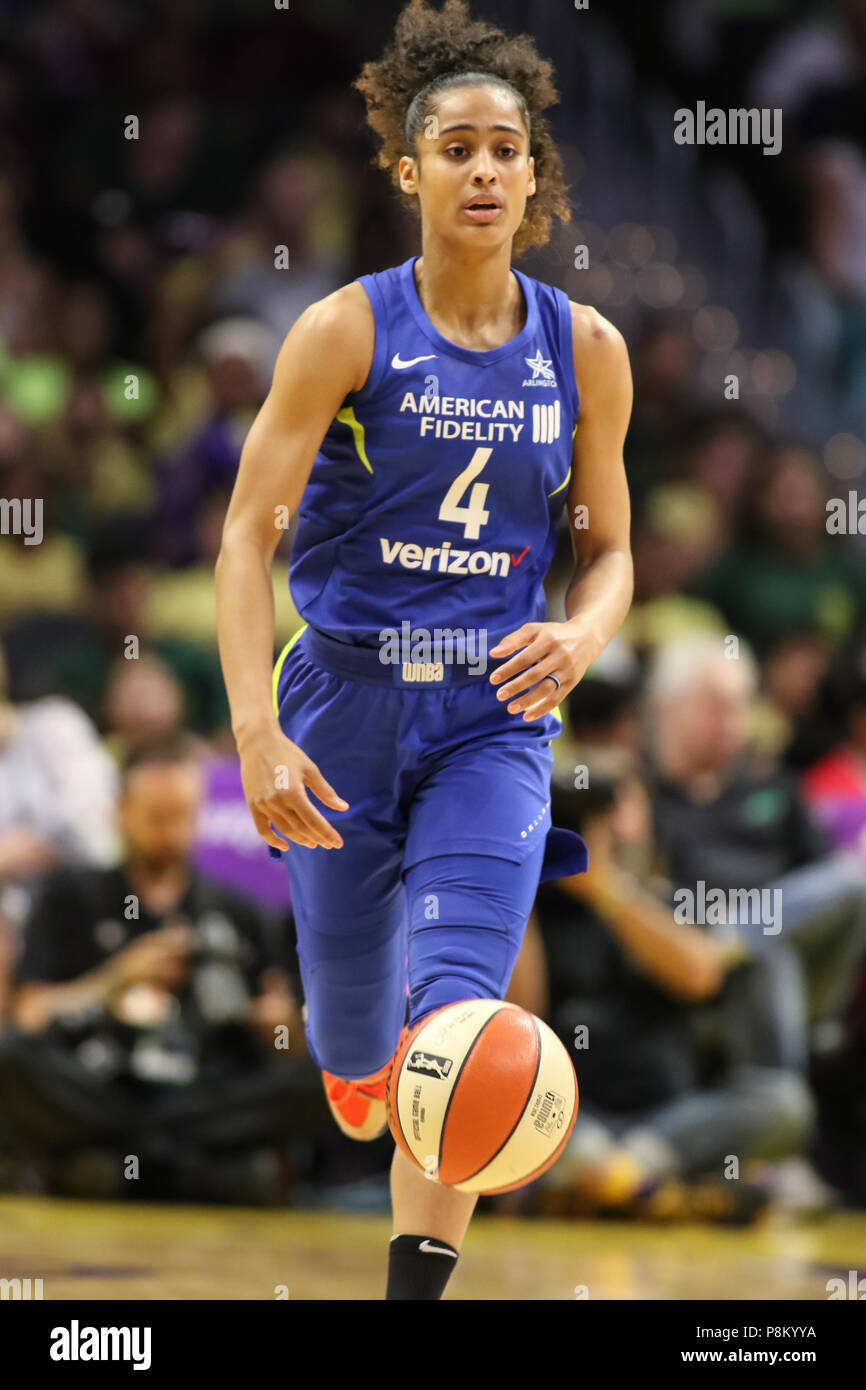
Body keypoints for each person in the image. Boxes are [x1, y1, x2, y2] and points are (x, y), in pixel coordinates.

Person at [215, 0, 633, 1300]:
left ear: (532, 176)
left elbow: (612, 551)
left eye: (506, 149)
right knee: (357, 1055)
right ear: (409, 171)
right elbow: (243, 542)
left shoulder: (587, 351)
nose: (485, 170)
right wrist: (252, 732)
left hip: (491, 719)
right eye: (455, 148)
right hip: (337, 706)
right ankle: (354, 1059)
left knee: (453, 1019)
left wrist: (581, 630)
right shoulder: (344, 330)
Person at [0, 732, 325, 1204]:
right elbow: (29, 1018)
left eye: (183, 817)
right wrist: (114, 980)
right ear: (120, 812)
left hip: (206, 1092)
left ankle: (128, 1160)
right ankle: (190, 1166)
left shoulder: (238, 910)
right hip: (106, 1087)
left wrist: (279, 1025)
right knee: (12, 1059)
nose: (172, 832)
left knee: (322, 1076)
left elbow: (288, 1041)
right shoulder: (70, 895)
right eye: (157, 818)